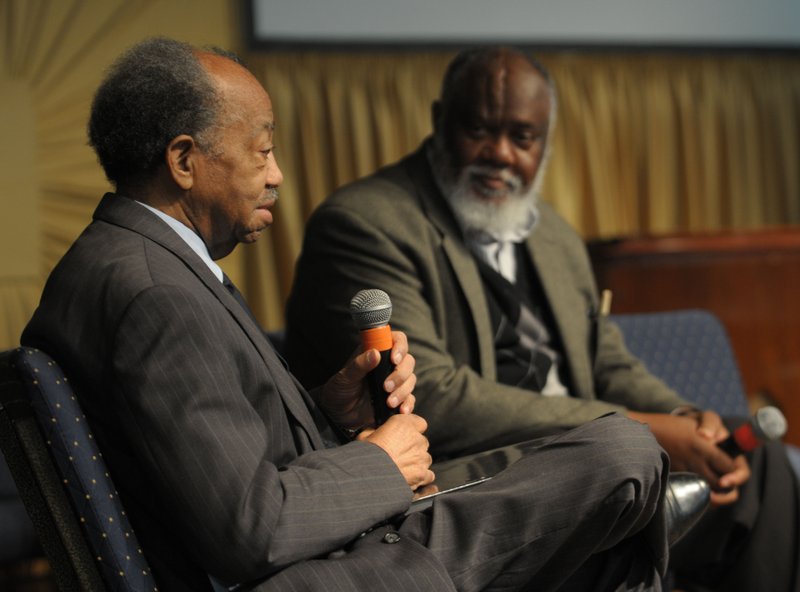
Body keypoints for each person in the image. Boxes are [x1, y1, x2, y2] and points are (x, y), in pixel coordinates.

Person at [19, 38, 676, 592]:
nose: (277, 174)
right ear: (185, 160)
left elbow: (209, 458)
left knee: (594, 474)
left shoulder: (123, 262)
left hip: (334, 542)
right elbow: (249, 530)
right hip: (334, 570)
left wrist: (331, 413)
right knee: (619, 455)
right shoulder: (154, 293)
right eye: (261, 149)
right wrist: (382, 464)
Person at [285, 46, 800, 591]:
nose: (501, 155)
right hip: (479, 477)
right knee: (619, 472)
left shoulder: (553, 233)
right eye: (480, 130)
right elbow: (434, 396)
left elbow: (607, 357)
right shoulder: (366, 224)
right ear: (439, 123)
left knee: (755, 467)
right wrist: (643, 429)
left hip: (599, 454)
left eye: (523, 138)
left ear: (545, 142)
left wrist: (684, 416)